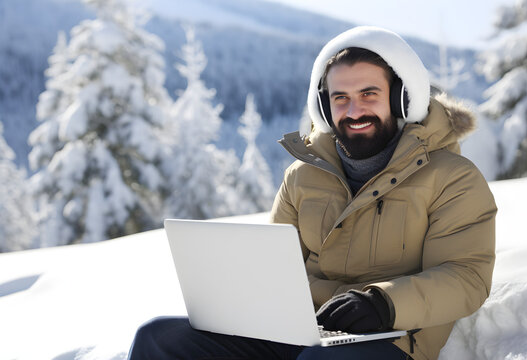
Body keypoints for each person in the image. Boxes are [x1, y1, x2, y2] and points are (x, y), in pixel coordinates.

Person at [128, 26, 496, 360]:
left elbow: (466, 277)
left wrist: (384, 303)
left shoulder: (451, 178)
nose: (354, 110)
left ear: (402, 99)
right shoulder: (302, 176)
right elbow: (273, 269)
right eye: (340, 98)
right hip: (302, 328)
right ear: (323, 106)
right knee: (158, 338)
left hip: (391, 335)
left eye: (369, 94)